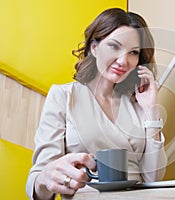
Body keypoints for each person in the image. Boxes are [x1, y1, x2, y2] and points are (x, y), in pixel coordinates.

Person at [26, 8, 167, 200]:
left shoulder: (137, 104)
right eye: (114, 46)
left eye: (133, 52)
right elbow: (37, 185)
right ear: (94, 47)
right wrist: (45, 178)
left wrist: (151, 110)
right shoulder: (64, 96)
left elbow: (154, 178)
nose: (123, 60)